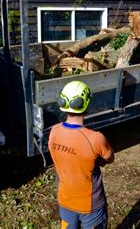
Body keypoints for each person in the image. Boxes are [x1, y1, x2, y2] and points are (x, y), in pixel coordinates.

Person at [48, 81, 114, 229]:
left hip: (65, 200)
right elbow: (110, 158)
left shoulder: (54, 131)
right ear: (86, 104)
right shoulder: (96, 138)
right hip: (90, 206)